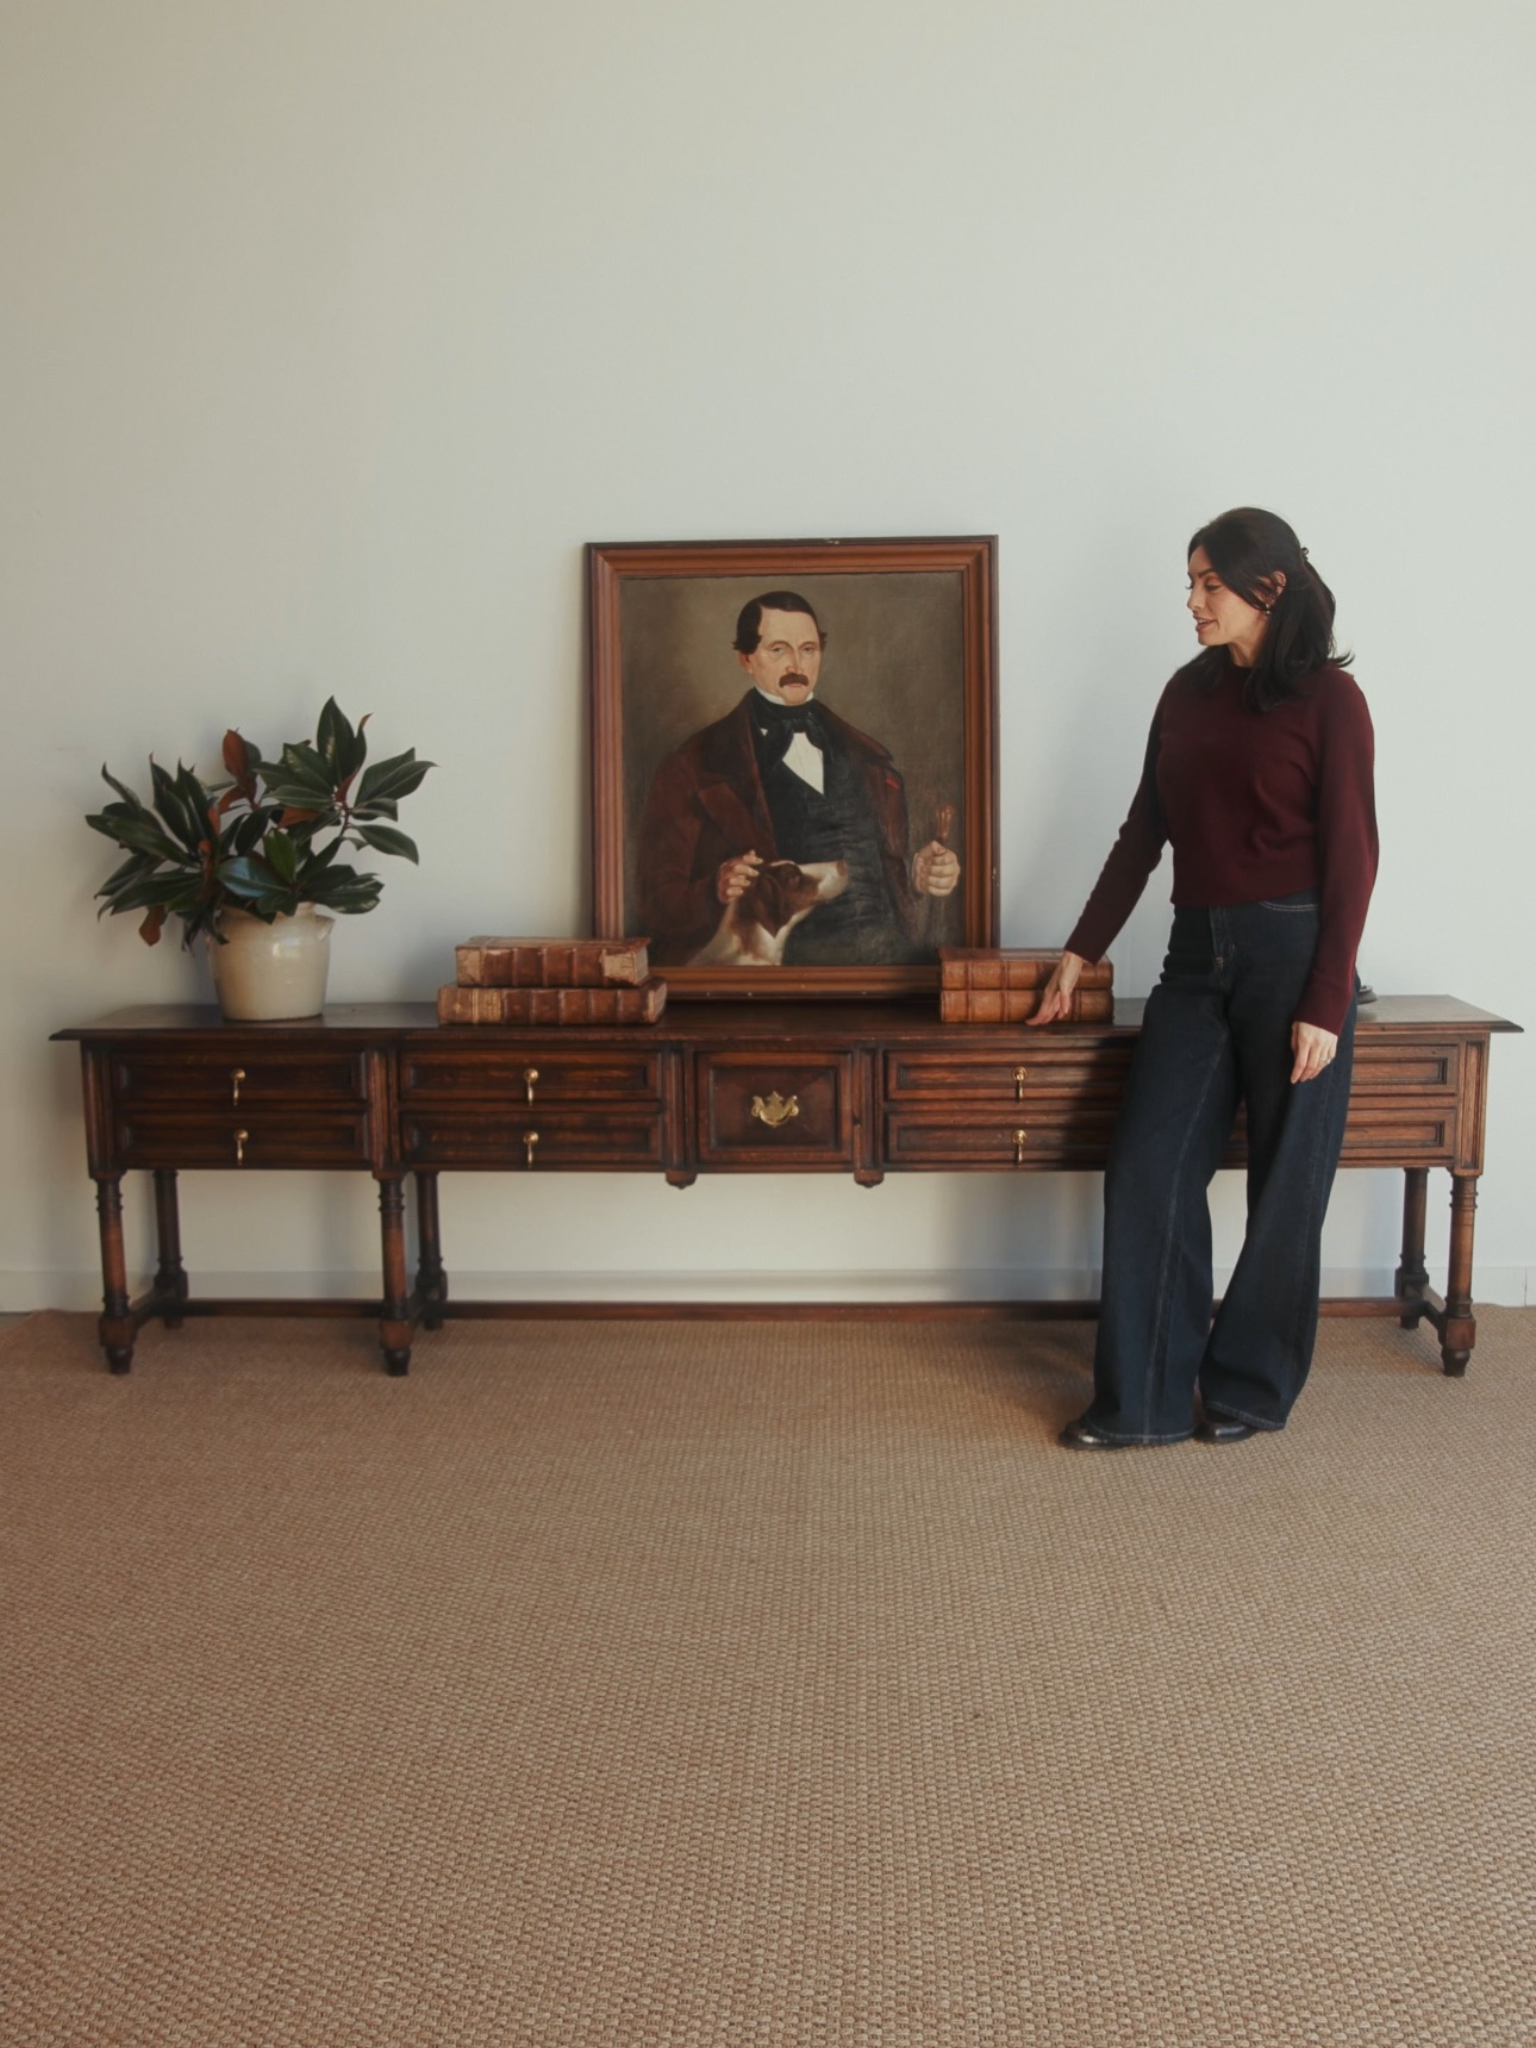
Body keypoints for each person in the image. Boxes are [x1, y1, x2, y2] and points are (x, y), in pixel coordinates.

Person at [1031, 508, 1377, 1448]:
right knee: (1148, 1167)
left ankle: (1249, 1390)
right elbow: (1145, 832)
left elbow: (1353, 859)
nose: (1190, 601)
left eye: (1207, 584)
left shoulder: (1330, 701)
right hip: (1195, 961)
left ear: (1267, 587)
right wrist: (1081, 950)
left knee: (1285, 1188)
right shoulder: (1185, 692)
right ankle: (1139, 1400)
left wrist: (1325, 999)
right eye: (1189, 583)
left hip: (1295, 959)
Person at [637, 592, 960, 966]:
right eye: (778, 650)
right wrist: (715, 889)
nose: (796, 663)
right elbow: (656, 904)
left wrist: (916, 878)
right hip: (780, 980)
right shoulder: (692, 766)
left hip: (881, 970)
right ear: (746, 658)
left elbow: (881, 876)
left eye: (808, 649)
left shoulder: (870, 761)